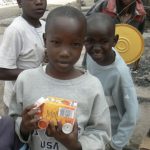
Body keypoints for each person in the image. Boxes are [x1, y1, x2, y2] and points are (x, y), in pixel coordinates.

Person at [9, 6, 111, 150]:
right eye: (56, 42)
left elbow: (101, 132)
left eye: (75, 44)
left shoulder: (92, 86)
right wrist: (24, 127)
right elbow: (13, 119)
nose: (64, 52)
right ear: (45, 40)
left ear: (83, 44)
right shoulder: (26, 80)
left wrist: (75, 145)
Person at [84, 13, 138, 150]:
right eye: (90, 41)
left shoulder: (119, 73)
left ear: (114, 41)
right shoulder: (90, 56)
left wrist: (116, 144)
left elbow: (131, 113)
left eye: (103, 41)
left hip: (109, 136)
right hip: (91, 128)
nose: (96, 48)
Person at [0, 0, 47, 112]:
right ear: (20, 3)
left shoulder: (46, 25)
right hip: (18, 104)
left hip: (38, 99)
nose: (39, 2)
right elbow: (2, 71)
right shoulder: (16, 30)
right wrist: (38, 73)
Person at [86, 0, 146, 70]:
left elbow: (138, 36)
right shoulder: (104, 4)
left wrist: (136, 57)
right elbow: (86, 22)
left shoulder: (140, 12)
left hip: (123, 54)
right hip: (97, 51)